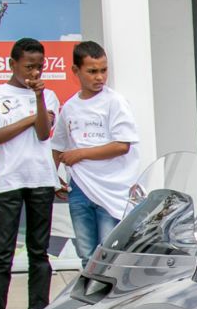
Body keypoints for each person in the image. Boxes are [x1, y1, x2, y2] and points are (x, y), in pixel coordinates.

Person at [0, 37, 59, 309]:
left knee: (39, 253)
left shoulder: (48, 95)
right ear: (12, 64)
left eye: (40, 66)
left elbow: (43, 132)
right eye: (29, 66)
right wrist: (27, 117)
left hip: (41, 180)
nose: (34, 72)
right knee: (2, 253)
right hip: (10, 181)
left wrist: (38, 99)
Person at [51, 41, 140, 261]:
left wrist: (79, 154)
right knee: (86, 253)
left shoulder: (115, 102)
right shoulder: (70, 106)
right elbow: (57, 145)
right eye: (92, 71)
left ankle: (113, 295)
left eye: (103, 70)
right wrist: (54, 178)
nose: (99, 77)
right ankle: (90, 294)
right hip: (80, 189)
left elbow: (122, 145)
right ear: (76, 71)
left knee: (110, 253)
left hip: (112, 190)